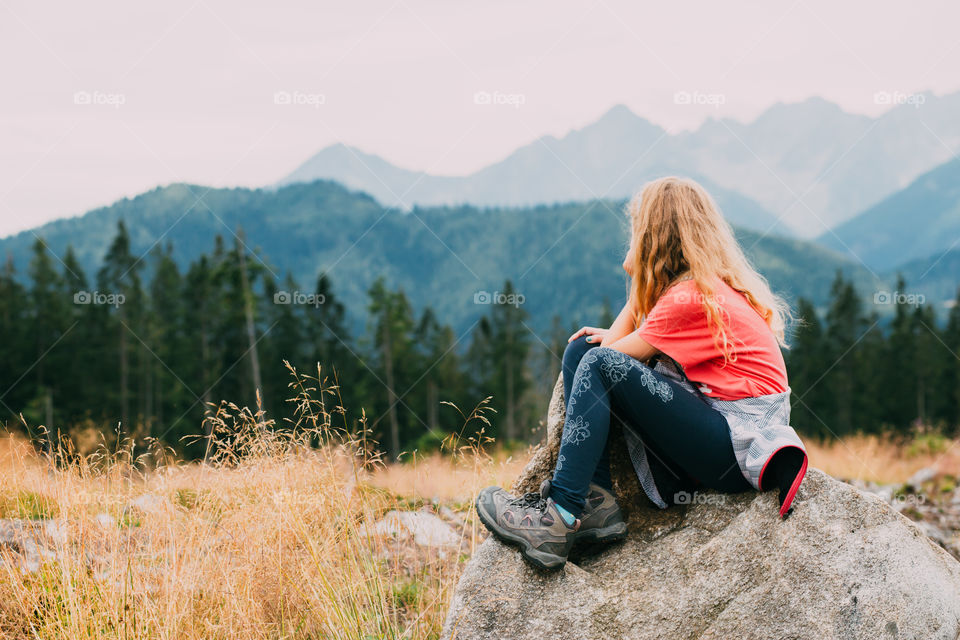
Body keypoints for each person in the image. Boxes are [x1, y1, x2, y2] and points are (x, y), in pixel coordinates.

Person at [476, 176, 809, 571]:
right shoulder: (694, 289)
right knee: (584, 348)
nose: (630, 243)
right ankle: (594, 506)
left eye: (637, 232)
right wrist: (639, 291)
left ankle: (560, 516)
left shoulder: (689, 298)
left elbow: (602, 368)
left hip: (736, 445)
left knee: (597, 361)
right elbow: (599, 354)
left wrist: (637, 279)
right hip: (715, 431)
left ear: (653, 237)